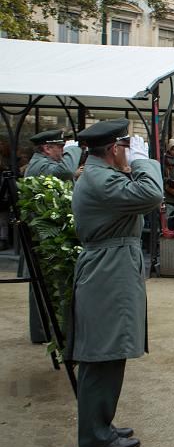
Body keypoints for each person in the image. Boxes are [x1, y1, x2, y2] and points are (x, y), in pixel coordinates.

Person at [67, 118, 163, 447]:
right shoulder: (101, 178)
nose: (129, 151)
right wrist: (140, 161)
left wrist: (131, 161)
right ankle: (95, 434)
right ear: (112, 149)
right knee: (103, 354)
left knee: (110, 351)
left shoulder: (99, 174)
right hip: (108, 270)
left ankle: (100, 424)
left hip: (112, 266)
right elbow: (152, 193)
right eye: (125, 146)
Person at [24, 129, 83, 343]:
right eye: (60, 148)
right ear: (47, 148)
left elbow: (64, 173)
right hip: (45, 236)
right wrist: (73, 148)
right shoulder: (39, 164)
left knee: (47, 284)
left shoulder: (41, 163)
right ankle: (47, 331)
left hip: (46, 232)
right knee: (50, 283)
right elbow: (65, 171)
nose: (62, 151)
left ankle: (46, 331)